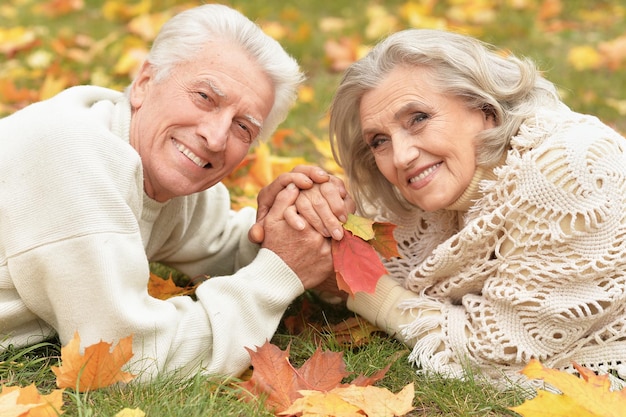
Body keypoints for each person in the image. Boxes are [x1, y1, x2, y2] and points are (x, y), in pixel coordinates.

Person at [0, 4, 352, 381]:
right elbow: (125, 359)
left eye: (243, 127)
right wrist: (276, 276)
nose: (215, 137)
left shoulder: (156, 165)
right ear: (145, 83)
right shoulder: (73, 154)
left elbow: (222, 244)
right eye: (204, 97)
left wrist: (286, 223)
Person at [328, 28, 626, 384]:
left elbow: (495, 353)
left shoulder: (570, 170)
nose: (401, 156)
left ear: (485, 108)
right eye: (380, 141)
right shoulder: (446, 188)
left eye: (418, 118)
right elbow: (367, 248)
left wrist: (370, 293)